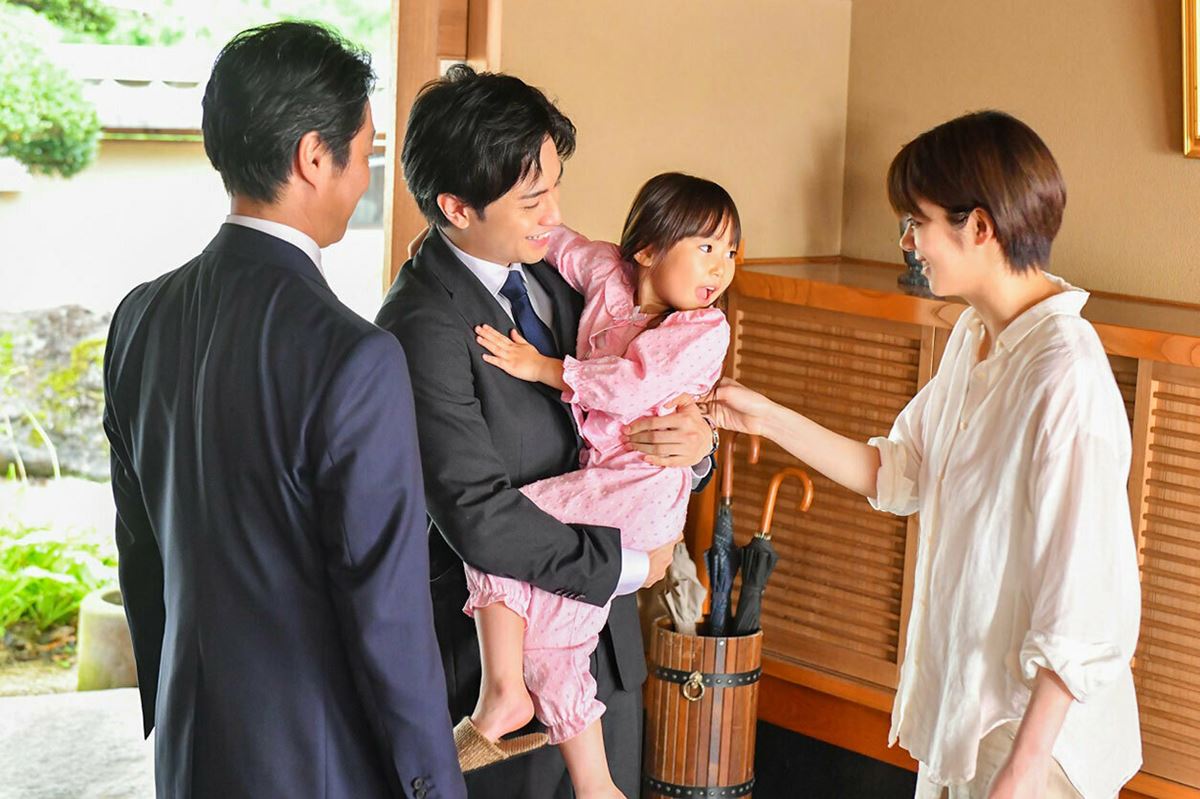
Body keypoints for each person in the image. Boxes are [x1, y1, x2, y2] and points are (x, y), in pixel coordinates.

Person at [691, 111, 1141, 799]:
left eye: (917, 221)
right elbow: (899, 472)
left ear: (979, 227)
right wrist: (768, 417)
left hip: (1036, 742)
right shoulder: (975, 335)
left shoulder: (1065, 375)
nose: (908, 241)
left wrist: (1023, 770)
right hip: (967, 713)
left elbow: (1087, 606)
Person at [102, 22, 464, 798]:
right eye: (364, 153)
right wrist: (434, 785)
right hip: (320, 761)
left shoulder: (139, 317)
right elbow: (389, 617)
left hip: (190, 746)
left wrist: (174, 704)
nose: (364, 178)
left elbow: (141, 549)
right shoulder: (355, 356)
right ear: (312, 158)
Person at [375, 66, 717, 798]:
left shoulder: (565, 277)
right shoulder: (419, 324)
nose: (554, 214)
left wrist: (695, 449)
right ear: (456, 207)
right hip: (504, 666)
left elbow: (641, 401)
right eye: (532, 199)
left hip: (604, 660)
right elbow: (478, 512)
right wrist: (633, 566)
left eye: (555, 188)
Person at [462, 172, 737, 796]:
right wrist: (459, 233)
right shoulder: (606, 274)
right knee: (553, 643)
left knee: (503, 526)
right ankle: (595, 784)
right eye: (706, 246)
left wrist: (543, 368)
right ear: (647, 248)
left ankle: (502, 691)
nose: (720, 268)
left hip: (640, 488)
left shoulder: (703, 329)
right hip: (602, 487)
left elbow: (633, 386)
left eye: (730, 252)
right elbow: (557, 240)